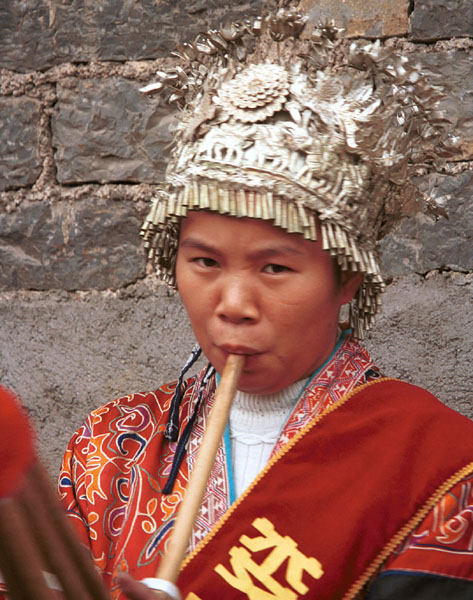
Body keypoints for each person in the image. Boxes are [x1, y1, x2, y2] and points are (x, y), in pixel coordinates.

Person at [57, 9, 473, 600]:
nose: (232, 304)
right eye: (203, 262)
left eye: (274, 267)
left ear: (347, 277)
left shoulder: (437, 469)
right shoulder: (108, 454)